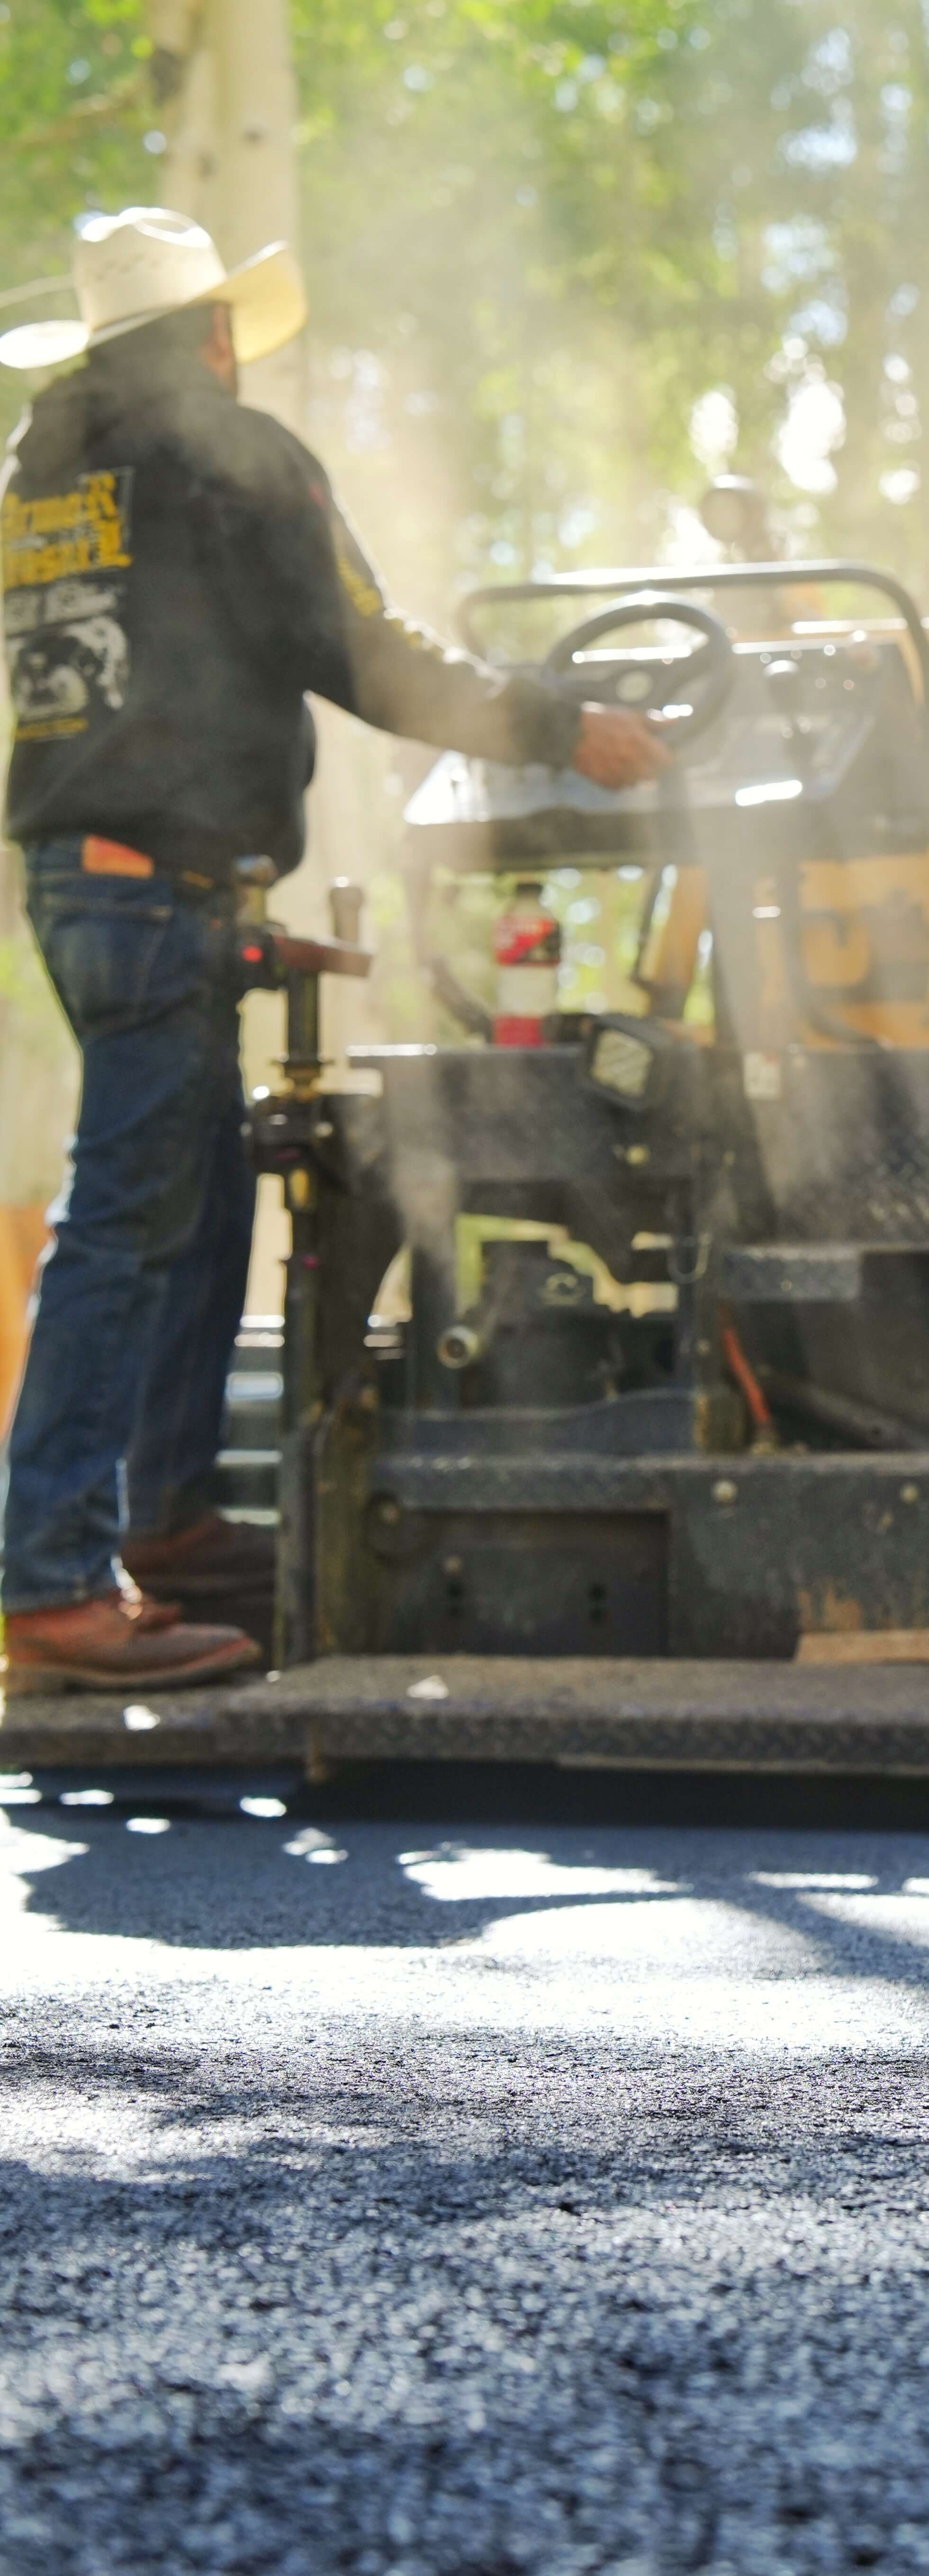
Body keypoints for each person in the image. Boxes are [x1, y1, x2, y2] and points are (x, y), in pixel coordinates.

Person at [0, 207, 667, 1694]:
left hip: (93, 881)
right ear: (218, 334)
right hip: (156, 890)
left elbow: (134, 689)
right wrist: (569, 728)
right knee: (125, 1216)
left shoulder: (42, 473)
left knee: (198, 1187)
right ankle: (47, 1573)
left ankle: (167, 1521)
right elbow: (370, 654)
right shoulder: (234, 463)